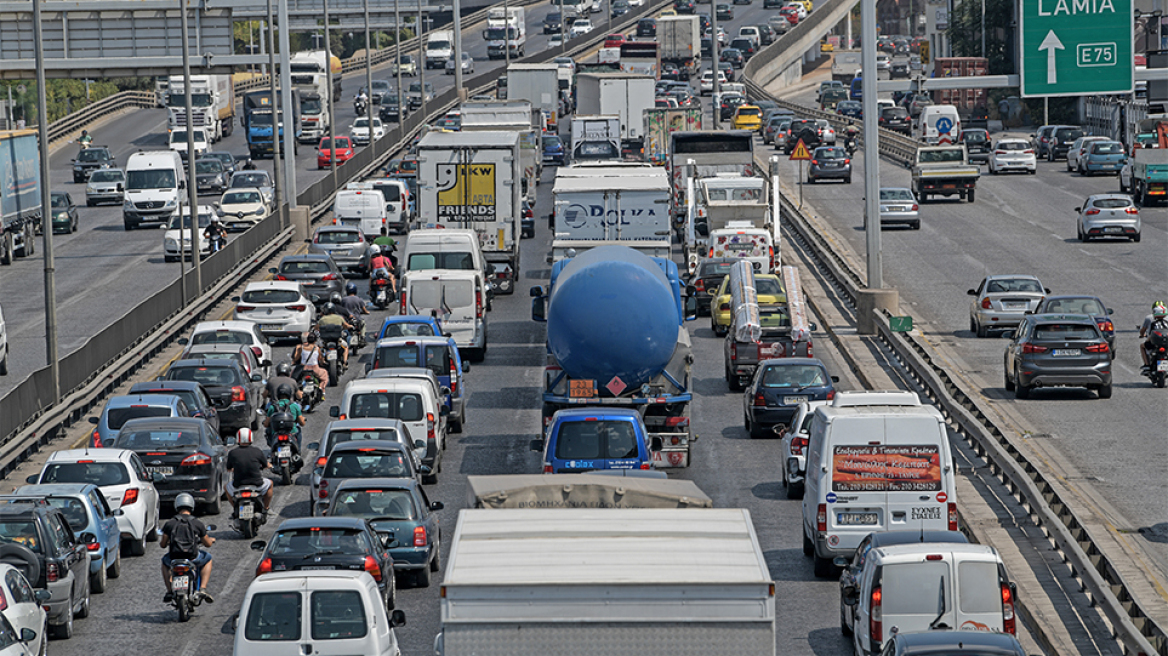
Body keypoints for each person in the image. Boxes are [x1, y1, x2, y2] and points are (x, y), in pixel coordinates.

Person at [160, 493, 215, 604]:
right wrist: (211, 540)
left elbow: (162, 544)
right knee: (208, 558)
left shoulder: (169, 523)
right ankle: (202, 589)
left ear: (177, 506)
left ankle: (169, 590)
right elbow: (207, 544)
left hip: (174, 558)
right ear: (191, 506)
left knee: (164, 563)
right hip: (192, 557)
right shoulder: (197, 523)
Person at [224, 428, 273, 515]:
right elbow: (266, 465)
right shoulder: (257, 451)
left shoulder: (232, 453)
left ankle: (235, 509)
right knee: (270, 483)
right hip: (257, 484)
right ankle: (266, 508)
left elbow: (228, 468)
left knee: (225, 487)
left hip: (238, 485)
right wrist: (269, 466)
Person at [317, 303, 353, 368]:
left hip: (325, 341)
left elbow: (317, 328)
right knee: (346, 347)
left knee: (318, 348)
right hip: (338, 340)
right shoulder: (339, 317)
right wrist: (351, 326)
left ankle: (322, 360)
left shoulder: (322, 319)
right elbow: (346, 326)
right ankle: (345, 362)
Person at [1139, 301, 1168, 370]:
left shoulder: (1151, 320)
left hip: (1155, 343)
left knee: (1142, 346)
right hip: (1166, 342)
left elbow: (1149, 333)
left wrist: (1143, 336)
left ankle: (1147, 364)